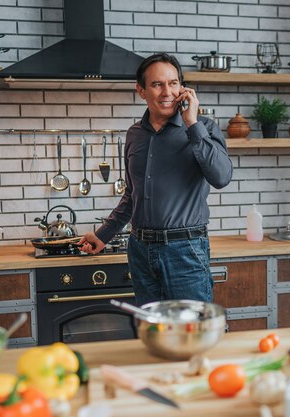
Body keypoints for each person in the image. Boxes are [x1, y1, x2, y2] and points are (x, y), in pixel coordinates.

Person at [79, 53, 233, 306]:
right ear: (141, 90)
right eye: (157, 84)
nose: (167, 92)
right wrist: (103, 235)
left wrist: (192, 123)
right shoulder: (134, 134)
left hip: (186, 251)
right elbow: (132, 194)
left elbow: (221, 177)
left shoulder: (204, 128)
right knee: (150, 331)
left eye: (173, 83)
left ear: (183, 89)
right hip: (140, 250)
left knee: (189, 333)